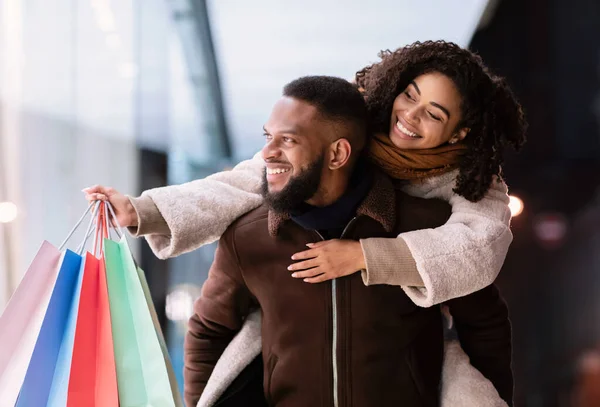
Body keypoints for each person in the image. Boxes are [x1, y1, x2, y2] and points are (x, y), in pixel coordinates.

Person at [85, 41, 525, 405]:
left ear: (459, 133)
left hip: (415, 295)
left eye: (434, 113)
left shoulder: (467, 182)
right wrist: (142, 211)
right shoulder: (345, 135)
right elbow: (247, 181)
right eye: (410, 95)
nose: (409, 115)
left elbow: (480, 248)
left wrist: (365, 256)